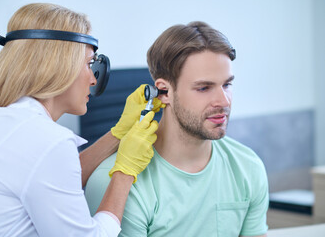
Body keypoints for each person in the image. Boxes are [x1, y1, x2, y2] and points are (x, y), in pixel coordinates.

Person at [0, 3, 164, 237]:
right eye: (89, 64)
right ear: (58, 65)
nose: (93, 78)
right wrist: (125, 172)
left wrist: (119, 132)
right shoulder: (47, 142)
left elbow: (47, 183)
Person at [85, 21, 269, 237]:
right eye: (204, 88)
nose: (224, 101)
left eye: (227, 85)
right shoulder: (116, 184)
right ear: (164, 91)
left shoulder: (248, 167)